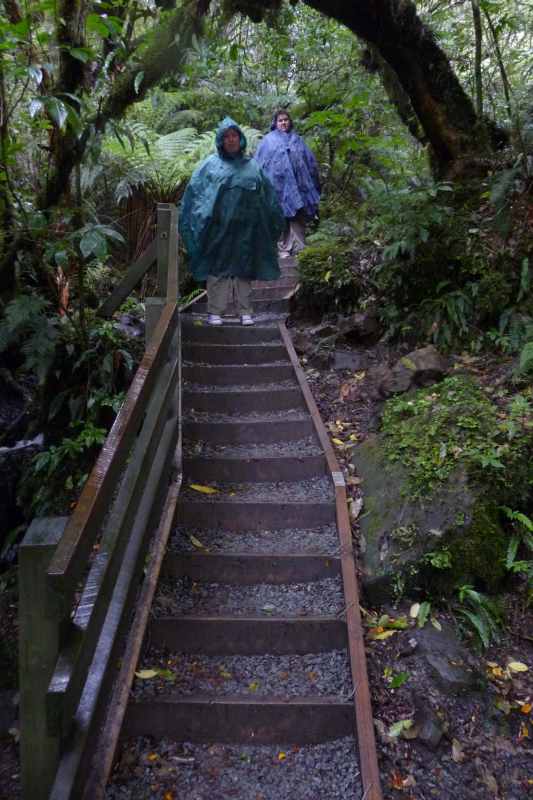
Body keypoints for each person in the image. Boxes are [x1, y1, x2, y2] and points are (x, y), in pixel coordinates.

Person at [179, 117, 284, 326]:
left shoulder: (252, 166)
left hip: (247, 228)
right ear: (220, 140)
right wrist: (199, 219)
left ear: (241, 139)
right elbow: (196, 194)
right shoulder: (210, 165)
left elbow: (267, 196)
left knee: (244, 268)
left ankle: (245, 311)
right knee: (217, 267)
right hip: (218, 227)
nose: (231, 140)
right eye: (226, 136)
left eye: (234, 135)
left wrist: (271, 221)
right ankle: (215, 311)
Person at [254, 109, 320, 259]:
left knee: (297, 216)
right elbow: (259, 164)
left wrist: (312, 182)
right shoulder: (267, 141)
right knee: (279, 217)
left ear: (290, 122)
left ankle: (299, 248)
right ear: (275, 123)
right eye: (280, 120)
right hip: (277, 187)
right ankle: (282, 249)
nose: (283, 123)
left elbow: (309, 162)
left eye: (286, 120)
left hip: (299, 186)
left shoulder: (297, 140)